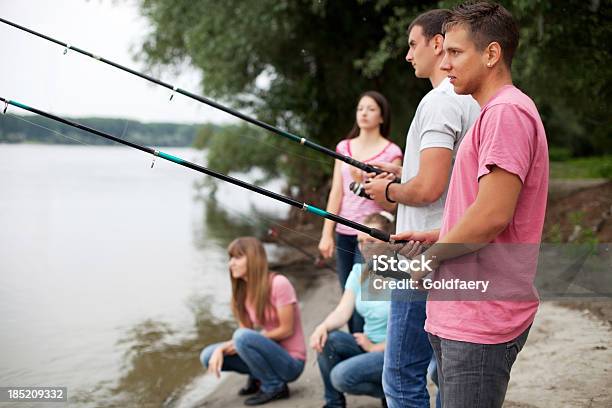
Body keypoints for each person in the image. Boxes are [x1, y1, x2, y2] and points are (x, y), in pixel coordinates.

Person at [392, 2, 549, 407]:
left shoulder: (506, 113)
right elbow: (479, 210)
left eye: (456, 53)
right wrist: (437, 235)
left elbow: (493, 216)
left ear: (492, 53)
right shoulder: (488, 114)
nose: (445, 65)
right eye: (444, 53)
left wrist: (432, 258)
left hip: (480, 317)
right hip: (461, 312)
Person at [363, 9, 479, 408]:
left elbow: (429, 188)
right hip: (452, 250)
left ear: (436, 43)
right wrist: (400, 170)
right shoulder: (467, 100)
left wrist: (389, 191)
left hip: (422, 257)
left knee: (399, 375)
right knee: (441, 370)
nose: (408, 55)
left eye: (413, 45)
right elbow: (446, 173)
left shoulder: (439, 102)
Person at [318, 91, 402, 334]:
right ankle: (356, 348)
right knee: (348, 290)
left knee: (366, 292)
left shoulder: (391, 152)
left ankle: (370, 350)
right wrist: (327, 233)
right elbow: (336, 192)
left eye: (371, 109)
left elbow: (392, 204)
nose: (364, 113)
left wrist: (364, 185)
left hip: (373, 235)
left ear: (382, 117)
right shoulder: (343, 148)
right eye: (360, 108)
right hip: (343, 231)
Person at [199, 237, 306, 406]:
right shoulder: (241, 293)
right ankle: (258, 377)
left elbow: (287, 330)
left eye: (237, 257)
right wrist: (222, 349)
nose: (231, 264)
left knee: (242, 337)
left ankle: (274, 386)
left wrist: (248, 340)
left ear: (254, 258)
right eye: (230, 258)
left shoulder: (279, 283)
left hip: (290, 362)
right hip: (267, 353)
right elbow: (244, 340)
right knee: (208, 355)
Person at [311, 212, 394, 408]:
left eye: (371, 240)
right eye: (360, 241)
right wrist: (322, 327)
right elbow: (343, 311)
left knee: (340, 377)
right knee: (327, 339)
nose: (364, 246)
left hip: (391, 350)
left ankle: (391, 393)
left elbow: (411, 329)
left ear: (390, 242)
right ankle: (334, 403)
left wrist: (377, 347)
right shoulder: (358, 272)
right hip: (366, 344)